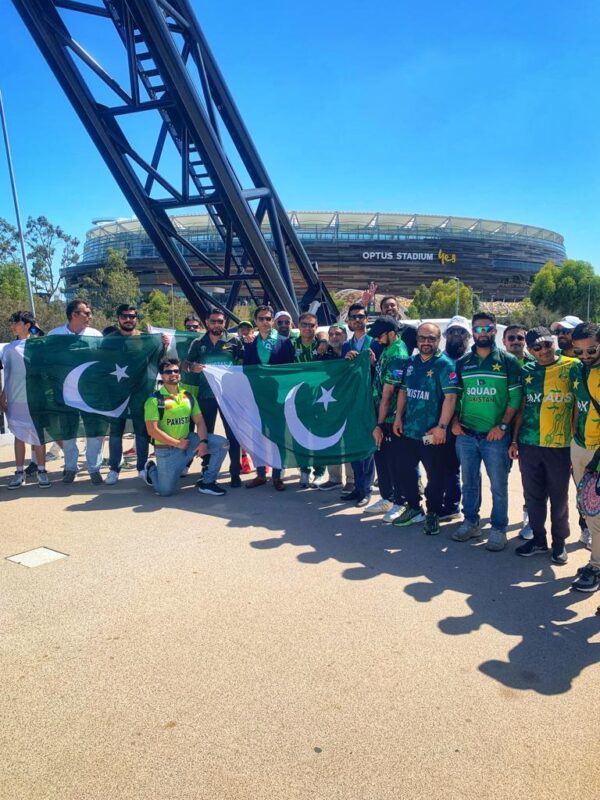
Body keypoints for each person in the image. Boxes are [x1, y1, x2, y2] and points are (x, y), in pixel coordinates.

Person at [451, 311, 523, 551]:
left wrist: (502, 426)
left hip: (495, 438)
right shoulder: (463, 362)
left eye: (487, 328)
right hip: (467, 436)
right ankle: (471, 522)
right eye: (478, 329)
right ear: (472, 332)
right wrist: (455, 421)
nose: (483, 333)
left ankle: (499, 527)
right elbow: (455, 396)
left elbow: (515, 399)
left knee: (498, 486)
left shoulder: (507, 361)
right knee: (469, 483)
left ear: (495, 331)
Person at [509, 327, 578, 565]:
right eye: (537, 347)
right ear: (530, 350)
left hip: (560, 445)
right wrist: (515, 440)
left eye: (547, 344)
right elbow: (522, 407)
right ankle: (539, 539)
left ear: (554, 343)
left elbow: (580, 405)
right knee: (533, 496)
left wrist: (576, 440)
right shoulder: (526, 370)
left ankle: (559, 543)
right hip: (529, 444)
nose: (544, 351)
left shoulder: (572, 366)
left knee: (559, 498)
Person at [392, 323, 459, 533]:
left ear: (439, 340)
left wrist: (441, 427)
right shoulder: (410, 362)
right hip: (409, 431)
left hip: (431, 435)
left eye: (431, 338)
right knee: (404, 471)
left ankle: (432, 513)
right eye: (422, 338)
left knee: (435, 476)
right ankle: (414, 508)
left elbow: (451, 397)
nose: (426, 342)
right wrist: (398, 418)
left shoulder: (445, 365)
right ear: (417, 340)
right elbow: (403, 391)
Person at [143, 358, 228, 497]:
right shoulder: (154, 400)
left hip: (188, 442)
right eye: (168, 371)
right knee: (165, 491)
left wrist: (203, 442)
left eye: (176, 371)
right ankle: (151, 469)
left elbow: (199, 421)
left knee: (222, 443)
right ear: (162, 375)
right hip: (167, 450)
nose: (173, 374)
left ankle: (207, 482)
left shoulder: (187, 396)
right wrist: (177, 443)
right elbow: (152, 430)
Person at [182, 307, 244, 487]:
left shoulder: (233, 341)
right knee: (206, 434)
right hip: (206, 395)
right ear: (207, 323)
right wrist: (192, 367)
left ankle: (235, 472)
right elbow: (185, 364)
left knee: (232, 434)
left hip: (229, 396)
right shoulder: (198, 342)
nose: (217, 324)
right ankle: (207, 468)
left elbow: (244, 363)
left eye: (220, 321)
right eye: (213, 321)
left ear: (224, 323)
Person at [47, 299, 104, 484]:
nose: (90, 316)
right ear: (74, 315)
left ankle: (94, 468)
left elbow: (104, 362)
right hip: (65, 395)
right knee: (69, 432)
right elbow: (46, 362)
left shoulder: (96, 335)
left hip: (91, 394)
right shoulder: (54, 335)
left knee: (94, 432)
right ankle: (70, 467)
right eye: (86, 313)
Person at [244, 305, 295, 491]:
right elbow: (246, 369)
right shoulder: (250, 344)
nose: (265, 322)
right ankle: (260, 473)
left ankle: (277, 475)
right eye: (261, 319)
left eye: (268, 319)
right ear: (256, 322)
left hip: (278, 398)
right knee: (258, 434)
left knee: (278, 436)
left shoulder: (283, 342)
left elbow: (290, 371)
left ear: (272, 321)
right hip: (257, 397)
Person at [0, 311, 50, 489]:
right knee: (18, 436)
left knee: (38, 435)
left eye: (17, 322)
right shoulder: (7, 348)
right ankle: (19, 472)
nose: (13, 326)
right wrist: (3, 395)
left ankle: (42, 471)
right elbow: (8, 375)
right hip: (16, 399)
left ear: (27, 325)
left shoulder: (38, 345)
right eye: (12, 323)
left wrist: (36, 330)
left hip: (35, 397)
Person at [366, 316, 409, 520]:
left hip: (390, 418)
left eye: (380, 335)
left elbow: (388, 393)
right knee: (381, 458)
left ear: (391, 333)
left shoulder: (399, 353)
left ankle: (400, 502)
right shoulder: (386, 350)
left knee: (395, 462)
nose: (377, 339)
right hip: (379, 414)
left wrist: (380, 424)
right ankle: (387, 497)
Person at [104, 304, 152, 485]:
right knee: (116, 432)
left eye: (132, 316)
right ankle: (114, 469)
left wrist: (163, 345)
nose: (128, 319)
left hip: (140, 392)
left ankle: (141, 467)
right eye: (124, 316)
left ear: (136, 318)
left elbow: (158, 358)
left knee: (141, 431)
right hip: (116, 393)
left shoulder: (146, 339)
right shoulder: (109, 340)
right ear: (118, 318)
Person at [569, 322, 600, 592]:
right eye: (579, 351)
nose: (586, 356)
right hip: (579, 445)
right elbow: (579, 406)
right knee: (587, 509)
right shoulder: (578, 369)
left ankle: (596, 567)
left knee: (598, 514)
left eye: (591, 350)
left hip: (598, 450)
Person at [341, 303, 379, 506]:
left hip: (370, 402)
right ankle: (357, 486)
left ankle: (366, 489)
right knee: (353, 445)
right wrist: (346, 362)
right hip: (351, 402)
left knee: (367, 446)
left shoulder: (375, 343)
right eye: (353, 316)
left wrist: (374, 363)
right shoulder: (346, 346)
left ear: (367, 319)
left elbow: (384, 373)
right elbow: (340, 374)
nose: (357, 319)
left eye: (361, 316)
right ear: (348, 321)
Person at [502, 324, 535, 539]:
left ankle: (530, 516)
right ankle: (498, 519)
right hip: (501, 427)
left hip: (528, 429)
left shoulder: (535, 364)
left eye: (520, 338)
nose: (516, 341)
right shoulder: (499, 363)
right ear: (504, 341)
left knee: (530, 478)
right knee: (500, 475)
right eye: (511, 338)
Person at [441, 315, 472, 519]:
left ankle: (466, 511)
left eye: (461, 332)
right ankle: (450, 504)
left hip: (466, 425)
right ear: (445, 335)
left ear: (468, 336)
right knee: (445, 465)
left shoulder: (473, 361)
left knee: (469, 473)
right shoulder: (438, 360)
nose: (456, 336)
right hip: (440, 424)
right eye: (452, 331)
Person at [292, 312, 327, 487]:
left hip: (320, 398)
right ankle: (303, 471)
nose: (307, 328)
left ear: (316, 326)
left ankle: (319, 472)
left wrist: (323, 340)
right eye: (304, 324)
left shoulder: (322, 345)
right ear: (298, 325)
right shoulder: (290, 345)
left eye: (311, 325)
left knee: (318, 435)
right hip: (299, 399)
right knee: (300, 436)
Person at [318, 324, 355, 492]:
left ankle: (352, 479)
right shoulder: (325, 353)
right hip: (329, 404)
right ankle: (334, 478)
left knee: (348, 441)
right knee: (330, 440)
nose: (334, 337)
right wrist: (323, 340)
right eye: (331, 334)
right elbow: (319, 332)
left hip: (349, 403)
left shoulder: (354, 351)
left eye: (338, 334)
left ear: (345, 336)